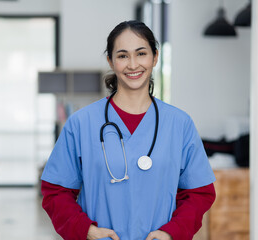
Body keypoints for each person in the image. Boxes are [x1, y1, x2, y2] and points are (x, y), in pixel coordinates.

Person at [41, 20, 216, 240]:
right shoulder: (81, 123)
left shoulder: (180, 124)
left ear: (155, 57)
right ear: (111, 61)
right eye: (123, 55)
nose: (133, 65)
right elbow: (55, 191)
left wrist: (172, 233)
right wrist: (86, 230)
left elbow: (199, 193)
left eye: (141, 53)